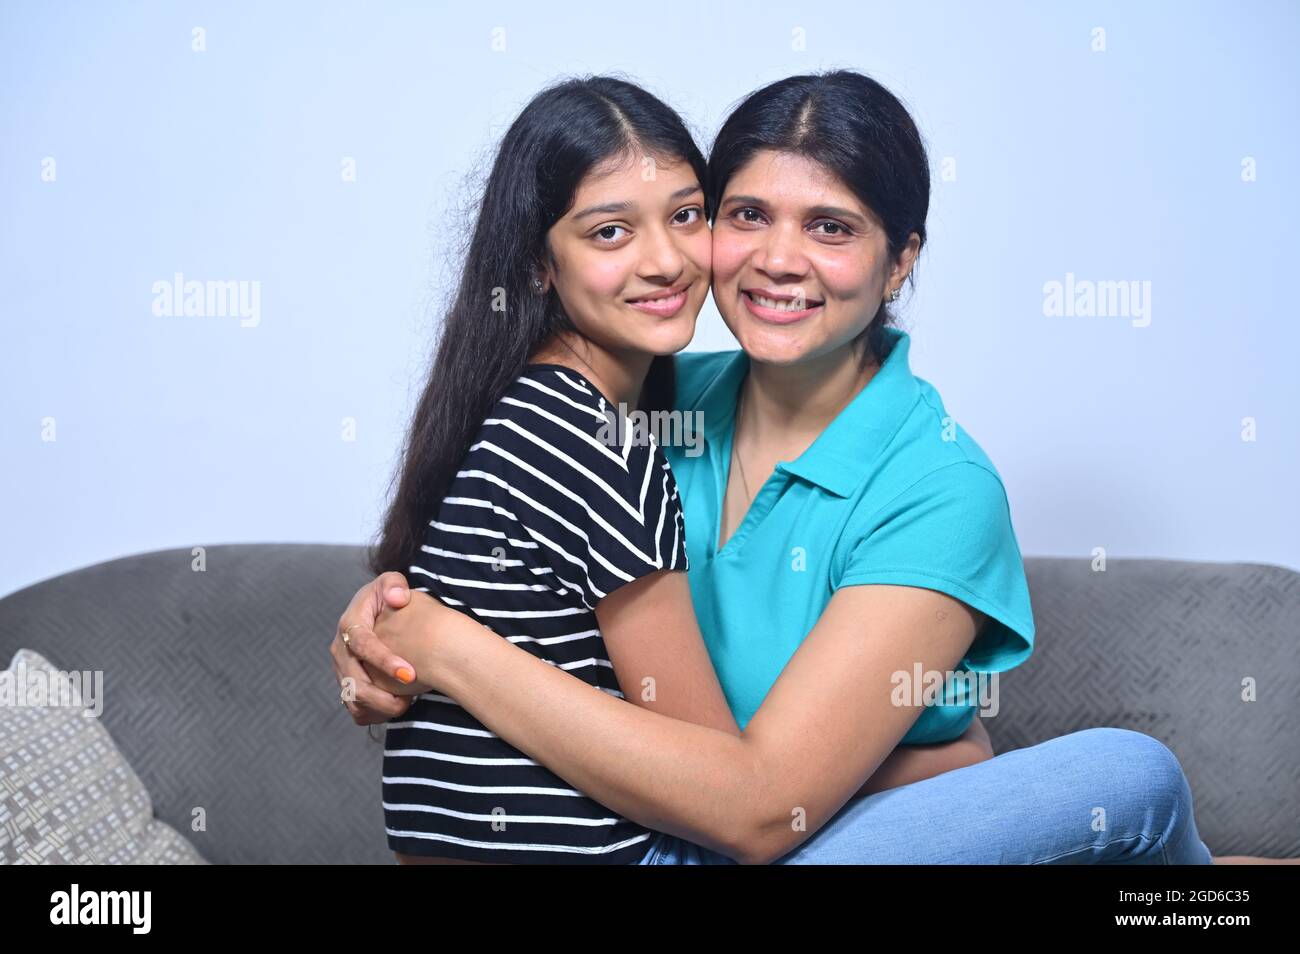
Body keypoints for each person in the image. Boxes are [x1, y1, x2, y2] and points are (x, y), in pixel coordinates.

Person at [332, 70, 1216, 865]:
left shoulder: (940, 489)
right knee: (1125, 774)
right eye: (746, 215)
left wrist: (448, 649)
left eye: (830, 227)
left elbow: (763, 801)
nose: (779, 259)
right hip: (718, 832)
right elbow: (745, 796)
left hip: (766, 827)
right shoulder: (641, 415)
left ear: (900, 260)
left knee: (1129, 777)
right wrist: (395, 634)